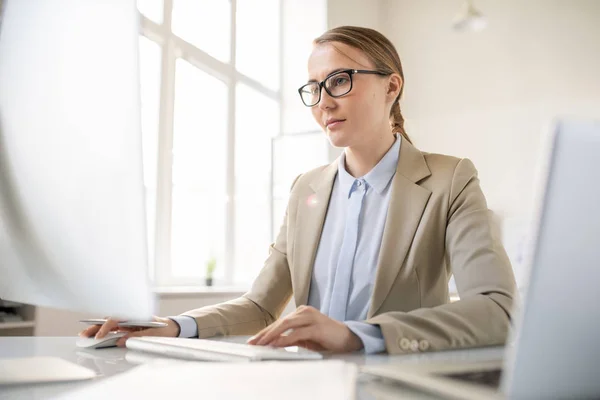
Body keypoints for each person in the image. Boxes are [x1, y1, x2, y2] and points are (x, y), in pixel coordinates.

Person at [81, 26, 516, 354]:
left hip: (399, 387)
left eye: (340, 80)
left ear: (392, 85)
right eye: (315, 87)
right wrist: (173, 326)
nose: (324, 101)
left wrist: (357, 336)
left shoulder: (449, 179)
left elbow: (497, 310)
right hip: (307, 386)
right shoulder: (306, 188)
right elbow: (260, 306)